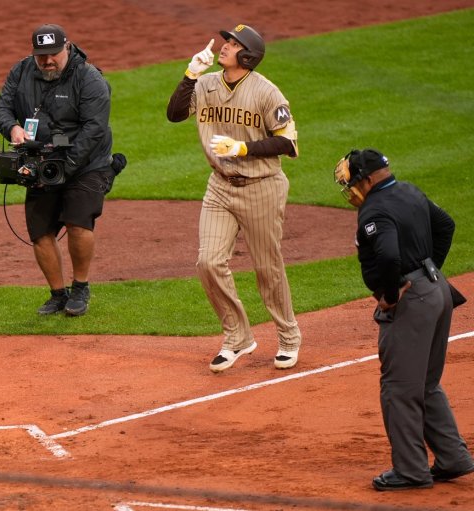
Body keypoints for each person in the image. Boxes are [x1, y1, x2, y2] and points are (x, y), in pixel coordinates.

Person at [333, 148, 474, 491]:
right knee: (424, 384)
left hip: (412, 301)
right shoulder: (409, 190)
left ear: (367, 179)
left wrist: (392, 295)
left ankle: (411, 471)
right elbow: (446, 225)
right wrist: (430, 271)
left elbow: (389, 255)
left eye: (352, 180)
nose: (350, 187)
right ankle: (453, 458)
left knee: (399, 389)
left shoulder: (375, 209)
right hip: (437, 291)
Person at [166, 24, 302, 372]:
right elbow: (174, 114)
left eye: (233, 43)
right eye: (226, 41)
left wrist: (243, 147)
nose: (224, 46)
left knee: (267, 269)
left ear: (248, 56)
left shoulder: (267, 93)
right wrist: (189, 75)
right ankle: (238, 337)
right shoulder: (208, 83)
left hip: (262, 187)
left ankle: (288, 337)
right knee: (208, 262)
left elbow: (286, 142)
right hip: (220, 186)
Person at [0, 24, 119, 316]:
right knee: (40, 232)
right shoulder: (21, 71)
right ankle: (57, 294)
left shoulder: (89, 79)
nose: (47, 61)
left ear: (67, 47)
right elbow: (2, 108)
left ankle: (81, 288)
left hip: (86, 164)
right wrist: (12, 127)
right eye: (41, 56)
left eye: (53, 54)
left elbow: (94, 128)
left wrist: (67, 168)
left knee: (78, 222)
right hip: (42, 161)